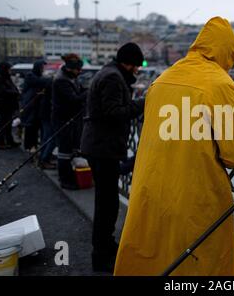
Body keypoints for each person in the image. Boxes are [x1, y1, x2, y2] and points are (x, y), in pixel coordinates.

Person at [114, 17, 234, 276]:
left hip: (150, 190)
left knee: (154, 258)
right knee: (198, 264)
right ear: (227, 53)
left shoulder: (163, 78)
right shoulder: (221, 84)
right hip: (194, 197)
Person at [81, 42, 145, 273]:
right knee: (106, 205)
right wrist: (143, 103)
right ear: (128, 63)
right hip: (102, 148)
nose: (138, 70)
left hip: (101, 146)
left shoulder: (110, 73)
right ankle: (101, 256)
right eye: (137, 66)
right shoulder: (112, 78)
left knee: (107, 202)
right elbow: (114, 113)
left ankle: (107, 247)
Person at [52, 54, 86, 189]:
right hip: (63, 120)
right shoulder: (62, 80)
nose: (80, 72)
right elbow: (73, 99)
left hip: (70, 119)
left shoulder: (71, 78)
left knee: (70, 150)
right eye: (78, 69)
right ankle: (65, 180)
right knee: (64, 152)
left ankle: (70, 176)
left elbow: (79, 91)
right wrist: (87, 94)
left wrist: (87, 90)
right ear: (71, 69)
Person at [21, 60, 50, 153]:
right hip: (30, 106)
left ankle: (34, 145)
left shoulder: (38, 76)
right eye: (42, 67)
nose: (43, 69)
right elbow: (40, 82)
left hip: (37, 106)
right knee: (30, 127)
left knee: (36, 126)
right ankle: (29, 146)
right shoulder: (30, 76)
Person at [0, 61, 21, 150]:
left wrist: (16, 92)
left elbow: (12, 88)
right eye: (9, 69)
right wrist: (15, 93)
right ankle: (0, 142)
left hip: (9, 104)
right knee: (3, 124)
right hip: (4, 104)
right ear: (5, 69)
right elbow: (2, 91)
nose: (10, 71)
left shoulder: (6, 77)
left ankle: (9, 141)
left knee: (8, 124)